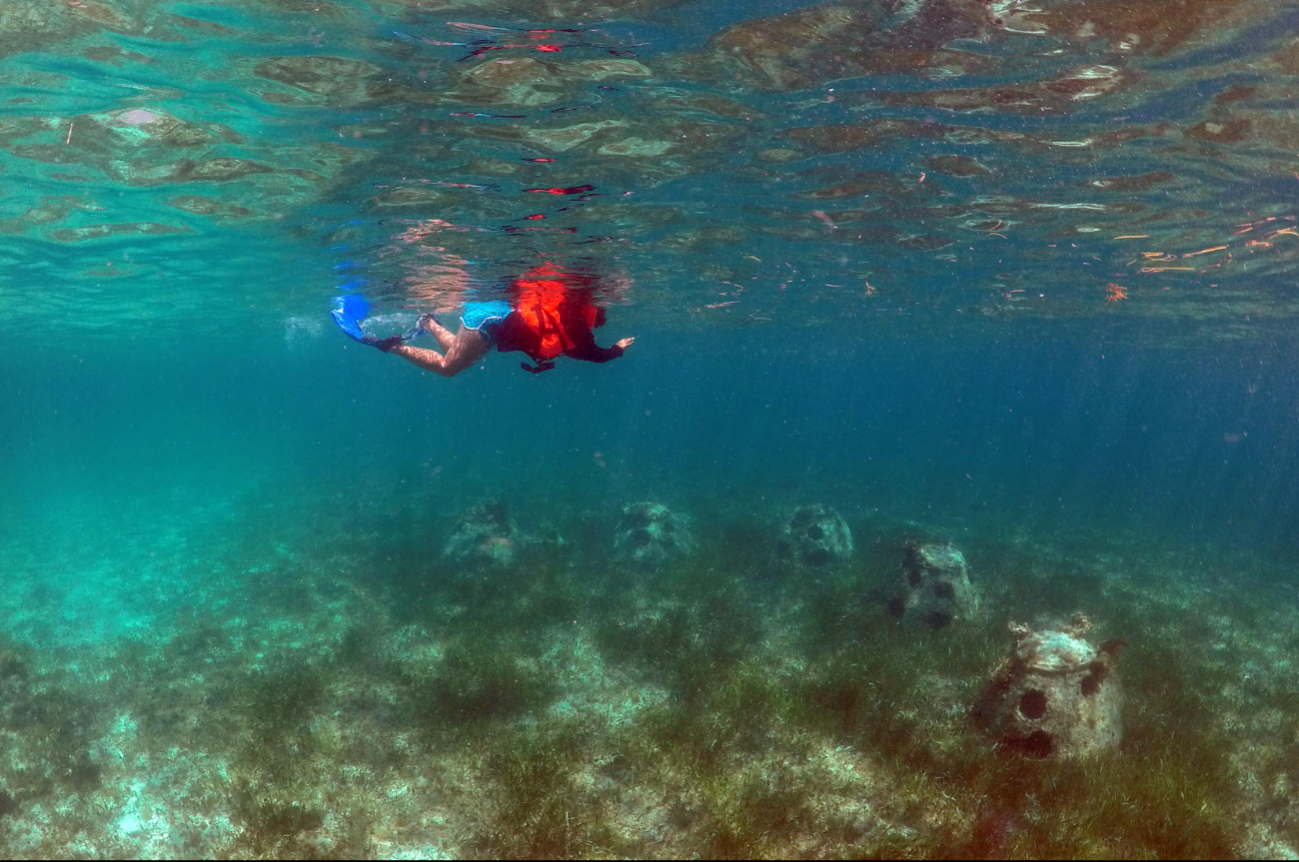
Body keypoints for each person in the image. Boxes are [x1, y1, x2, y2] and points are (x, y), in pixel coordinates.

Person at [352, 262, 634, 376]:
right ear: (593, 315)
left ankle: (428, 322)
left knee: (456, 353)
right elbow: (593, 355)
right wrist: (618, 349)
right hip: (491, 320)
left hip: (493, 317)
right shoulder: (576, 328)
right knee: (448, 367)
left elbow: (580, 350)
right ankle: (390, 346)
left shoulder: (570, 317)